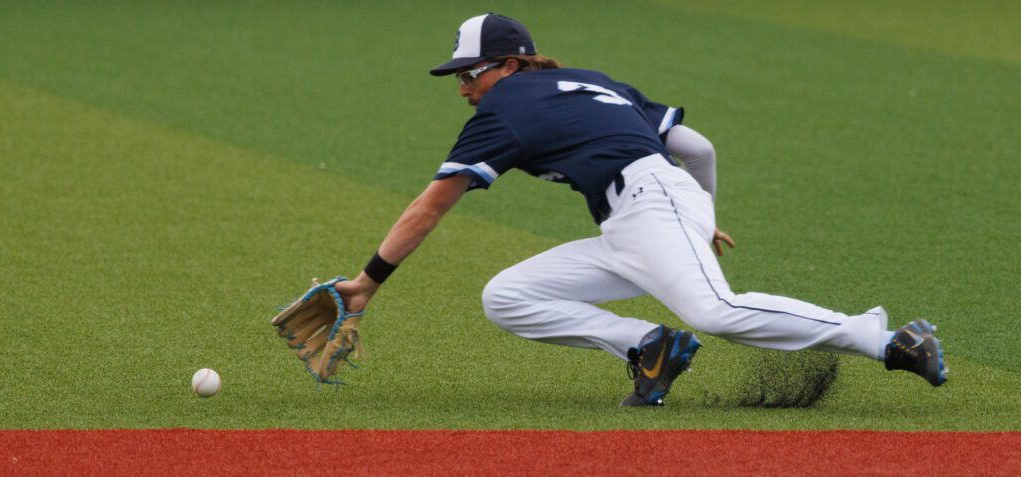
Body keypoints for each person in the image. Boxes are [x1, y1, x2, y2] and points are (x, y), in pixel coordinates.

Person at [333, 13, 947, 406]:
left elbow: (429, 206)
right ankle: (648, 347)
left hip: (650, 204)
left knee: (717, 311)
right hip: (638, 219)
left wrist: (367, 281)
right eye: (457, 77)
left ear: (511, 65)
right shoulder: (592, 79)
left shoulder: (506, 110)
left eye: (471, 73)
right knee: (508, 296)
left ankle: (890, 339)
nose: (463, 87)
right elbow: (696, 146)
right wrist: (700, 214)